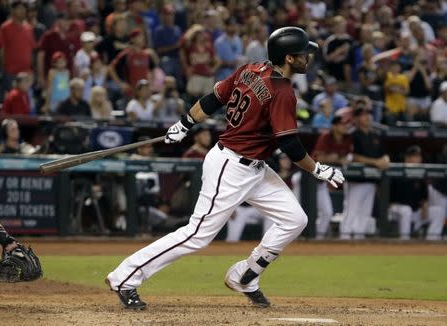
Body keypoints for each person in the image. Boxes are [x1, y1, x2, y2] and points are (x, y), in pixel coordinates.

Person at [105, 27, 344, 310]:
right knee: (197, 235)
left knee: (295, 219)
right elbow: (289, 144)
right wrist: (319, 170)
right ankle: (125, 277)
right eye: (304, 53)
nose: (309, 57)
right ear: (289, 58)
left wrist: (185, 123)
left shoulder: (250, 69)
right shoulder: (281, 92)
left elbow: (213, 99)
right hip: (231, 166)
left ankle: (245, 275)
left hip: (254, 167)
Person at [340, 106, 390, 240]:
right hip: (356, 179)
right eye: (363, 114)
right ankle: (343, 239)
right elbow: (352, 156)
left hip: (371, 179)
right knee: (351, 210)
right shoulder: (352, 134)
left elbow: (384, 154)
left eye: (368, 114)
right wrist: (375, 162)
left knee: (365, 212)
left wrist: (385, 160)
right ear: (355, 118)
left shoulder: (375, 135)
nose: (367, 117)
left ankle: (359, 239)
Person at [389, 145, 445, 240]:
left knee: (439, 211)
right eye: (414, 156)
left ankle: (431, 241)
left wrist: (425, 206)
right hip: (395, 210)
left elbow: (424, 197)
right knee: (406, 210)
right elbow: (386, 195)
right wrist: (390, 204)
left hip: (414, 212)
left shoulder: (421, 176)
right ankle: (404, 241)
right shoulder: (397, 172)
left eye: (418, 156)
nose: (417, 159)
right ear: (407, 158)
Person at [311, 115, 352, 239]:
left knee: (327, 213)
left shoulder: (346, 139)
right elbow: (318, 158)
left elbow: (347, 158)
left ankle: (317, 239)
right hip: (308, 179)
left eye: (346, 124)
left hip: (321, 182)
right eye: (342, 124)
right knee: (301, 212)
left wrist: (338, 159)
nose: (345, 126)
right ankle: (299, 240)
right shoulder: (326, 137)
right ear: (334, 126)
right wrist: (333, 159)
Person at [0, 0, 36, 96]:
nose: (22, 11)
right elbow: (1, 49)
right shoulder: (5, 27)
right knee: (11, 102)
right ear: (12, 10)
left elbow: (31, 49)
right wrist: (4, 69)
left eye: (24, 9)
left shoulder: (29, 28)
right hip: (10, 73)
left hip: (26, 73)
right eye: (19, 8)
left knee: (25, 104)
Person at [109, 28, 159, 95]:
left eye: (143, 36)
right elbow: (111, 68)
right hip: (131, 93)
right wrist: (120, 83)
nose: (143, 39)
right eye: (139, 36)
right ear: (133, 39)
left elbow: (153, 69)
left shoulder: (146, 54)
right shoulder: (126, 54)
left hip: (144, 93)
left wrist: (151, 84)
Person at [214, 17, 243, 82]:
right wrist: (229, 63)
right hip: (223, 77)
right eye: (231, 25)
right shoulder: (219, 42)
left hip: (237, 77)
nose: (233, 27)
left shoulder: (238, 40)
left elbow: (240, 56)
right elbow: (216, 61)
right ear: (225, 27)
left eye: (234, 25)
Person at [383, 61, 409, 125]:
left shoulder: (403, 77)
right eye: (393, 66)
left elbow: (406, 92)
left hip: (401, 107)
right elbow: (386, 88)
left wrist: (394, 88)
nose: (395, 68)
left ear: (400, 68)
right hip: (390, 107)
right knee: (390, 122)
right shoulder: (387, 75)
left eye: (397, 66)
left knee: (407, 122)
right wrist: (398, 89)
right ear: (391, 67)